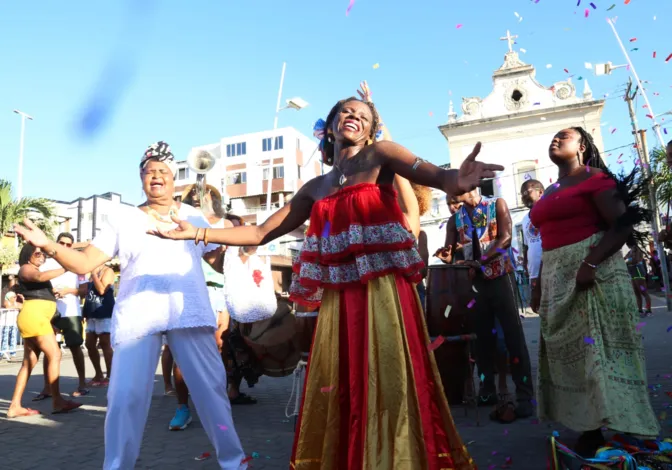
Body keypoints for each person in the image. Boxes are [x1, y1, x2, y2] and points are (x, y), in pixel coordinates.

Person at [151, 97, 503, 469]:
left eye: (363, 116)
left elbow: (432, 174)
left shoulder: (381, 155)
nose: (354, 117)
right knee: (346, 381)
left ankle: (397, 458)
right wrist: (199, 232)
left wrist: (454, 179)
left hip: (383, 291)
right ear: (332, 125)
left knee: (388, 374)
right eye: (347, 112)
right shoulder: (315, 188)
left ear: (370, 131)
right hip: (339, 300)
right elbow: (259, 232)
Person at [13, 141, 246, 470]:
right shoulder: (122, 218)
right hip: (139, 316)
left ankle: (235, 463)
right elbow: (82, 263)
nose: (156, 176)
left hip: (188, 311)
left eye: (163, 171)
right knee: (124, 399)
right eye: (149, 172)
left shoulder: (192, 216)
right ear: (140, 178)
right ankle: (118, 465)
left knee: (211, 393)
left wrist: (224, 233)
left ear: (173, 178)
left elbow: (218, 261)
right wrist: (48, 244)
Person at [530, 127, 659, 457]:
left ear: (582, 146)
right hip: (557, 277)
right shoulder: (551, 190)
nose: (555, 139)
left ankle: (617, 424)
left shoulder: (596, 178)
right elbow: (547, 241)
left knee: (598, 352)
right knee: (570, 356)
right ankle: (587, 422)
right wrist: (539, 283)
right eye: (553, 136)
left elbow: (622, 224)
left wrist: (591, 263)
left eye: (564, 136)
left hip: (592, 274)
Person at [436, 187, 534, 419]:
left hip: (500, 278)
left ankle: (524, 395)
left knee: (513, 337)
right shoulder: (454, 220)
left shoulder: (496, 205)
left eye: (454, 188)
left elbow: (506, 239)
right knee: (481, 342)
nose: (450, 195)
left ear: (469, 185)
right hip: (475, 285)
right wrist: (446, 256)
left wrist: (480, 261)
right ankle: (487, 390)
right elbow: (452, 254)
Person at [7, 244, 81, 418]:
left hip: (35, 318)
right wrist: (67, 267)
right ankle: (57, 401)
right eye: (37, 253)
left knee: (28, 363)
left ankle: (15, 406)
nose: (42, 256)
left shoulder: (30, 269)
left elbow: (37, 284)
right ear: (27, 255)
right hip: (35, 318)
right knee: (55, 355)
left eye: (43, 254)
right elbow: (39, 276)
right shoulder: (25, 268)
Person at [36, 232, 89, 400]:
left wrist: (67, 291)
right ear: (56, 243)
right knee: (49, 350)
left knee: (75, 347)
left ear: (71, 246)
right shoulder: (45, 264)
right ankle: (47, 387)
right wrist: (51, 292)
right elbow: (39, 284)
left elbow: (84, 291)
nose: (65, 246)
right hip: (49, 311)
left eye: (68, 244)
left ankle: (82, 384)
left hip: (71, 313)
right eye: (62, 243)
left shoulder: (78, 265)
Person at [83, 263, 116, 387]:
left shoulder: (108, 271)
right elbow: (88, 293)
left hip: (104, 312)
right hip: (92, 313)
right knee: (89, 344)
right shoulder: (93, 271)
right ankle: (98, 374)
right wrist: (85, 311)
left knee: (105, 343)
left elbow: (102, 290)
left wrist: (93, 274)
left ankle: (110, 375)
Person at [521, 179, 544, 311]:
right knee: (540, 310)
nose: (524, 196)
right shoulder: (524, 220)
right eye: (521, 194)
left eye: (527, 192)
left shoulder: (548, 211)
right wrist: (525, 263)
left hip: (548, 269)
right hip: (533, 273)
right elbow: (526, 244)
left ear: (540, 192)